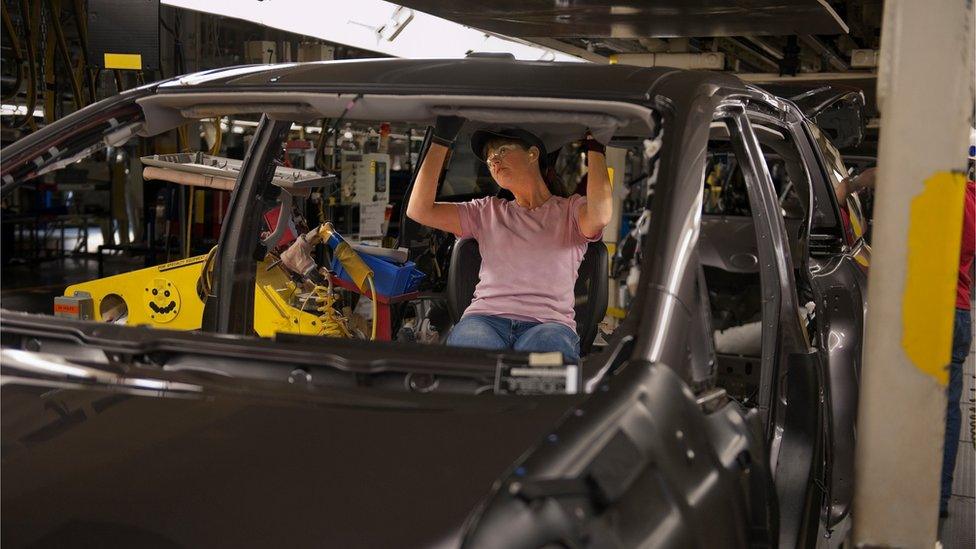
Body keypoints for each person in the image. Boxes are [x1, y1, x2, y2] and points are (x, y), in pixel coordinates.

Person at [405, 116, 612, 363]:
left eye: (502, 150)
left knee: (545, 360)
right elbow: (419, 210)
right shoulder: (486, 211)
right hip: (485, 320)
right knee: (470, 354)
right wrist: (441, 141)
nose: (493, 160)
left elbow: (600, 214)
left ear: (533, 154)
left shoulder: (570, 211)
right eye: (490, 157)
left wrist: (596, 147)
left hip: (548, 324)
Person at [939, 149, 976, 518]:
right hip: (960, 311)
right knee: (948, 408)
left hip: (928, 313)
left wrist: (852, 183)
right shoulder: (972, 201)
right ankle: (940, 498)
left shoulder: (935, 195)